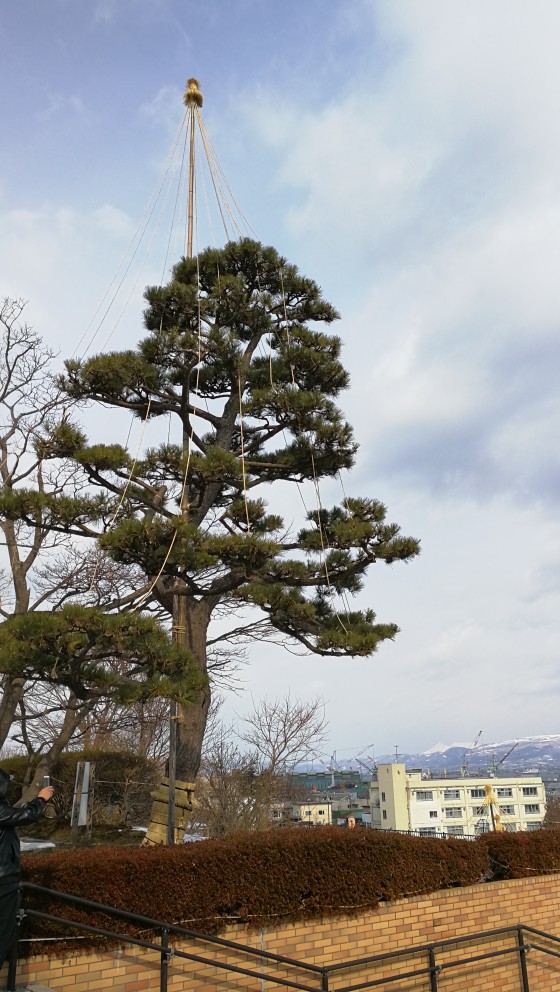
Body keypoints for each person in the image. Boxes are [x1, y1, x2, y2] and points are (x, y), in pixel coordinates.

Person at [0, 770, 54, 968]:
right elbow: (27, 815)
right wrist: (41, 798)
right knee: (3, 935)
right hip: (3, 882)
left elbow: (14, 816)